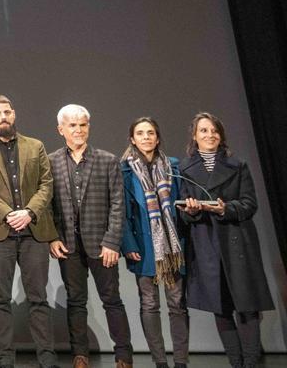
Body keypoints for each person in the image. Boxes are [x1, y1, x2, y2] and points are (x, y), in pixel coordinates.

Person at [0, 95, 57, 368]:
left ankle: (47, 358)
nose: (3, 116)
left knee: (39, 298)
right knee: (0, 300)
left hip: (33, 232)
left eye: (7, 112)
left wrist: (28, 212)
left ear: (14, 114)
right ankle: (5, 359)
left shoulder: (35, 146)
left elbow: (46, 185)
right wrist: (8, 213)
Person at [180, 112, 274, 368]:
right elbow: (184, 215)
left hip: (237, 242)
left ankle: (251, 363)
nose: (209, 135)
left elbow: (249, 204)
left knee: (247, 306)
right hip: (206, 244)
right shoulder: (184, 169)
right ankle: (235, 362)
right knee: (220, 307)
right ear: (195, 136)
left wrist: (224, 209)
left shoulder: (238, 165)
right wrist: (190, 211)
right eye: (203, 131)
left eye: (214, 130)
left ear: (221, 135)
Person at [48, 105, 132, 368]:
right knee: (76, 301)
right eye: (72, 125)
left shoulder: (108, 160)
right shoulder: (50, 162)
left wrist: (112, 242)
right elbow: (47, 204)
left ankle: (123, 356)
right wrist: (52, 237)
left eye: (83, 125)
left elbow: (118, 204)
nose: (78, 130)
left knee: (112, 300)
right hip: (68, 245)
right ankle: (80, 355)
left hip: (101, 244)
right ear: (61, 129)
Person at [120, 117, 188, 368]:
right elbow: (122, 212)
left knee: (177, 305)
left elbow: (180, 202)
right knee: (149, 304)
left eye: (151, 133)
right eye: (140, 133)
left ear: (158, 138)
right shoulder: (124, 170)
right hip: (144, 246)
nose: (146, 137)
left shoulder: (173, 166)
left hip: (172, 247)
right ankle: (160, 362)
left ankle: (180, 362)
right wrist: (128, 245)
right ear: (132, 139)